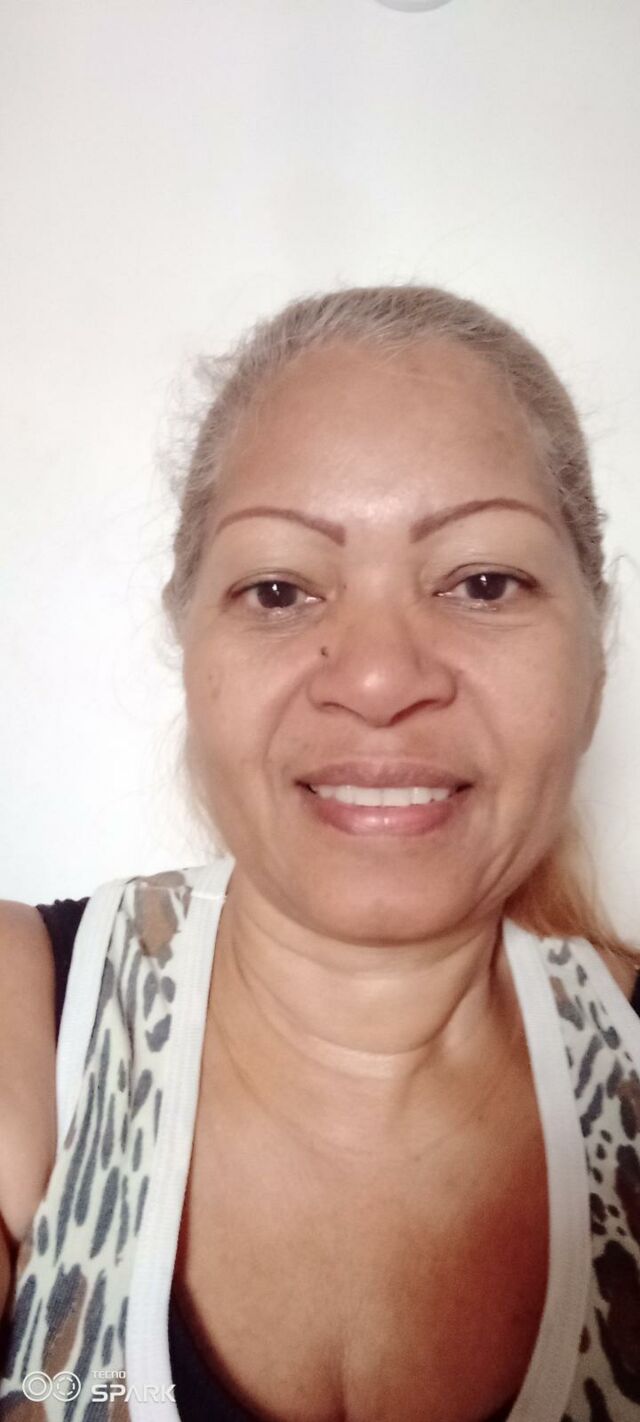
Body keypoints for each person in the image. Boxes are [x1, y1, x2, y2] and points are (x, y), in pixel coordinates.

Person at [1, 284, 639, 1422]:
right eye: (280, 589)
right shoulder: (22, 1016)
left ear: (597, 647)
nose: (381, 678)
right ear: (189, 640)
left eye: (483, 582)